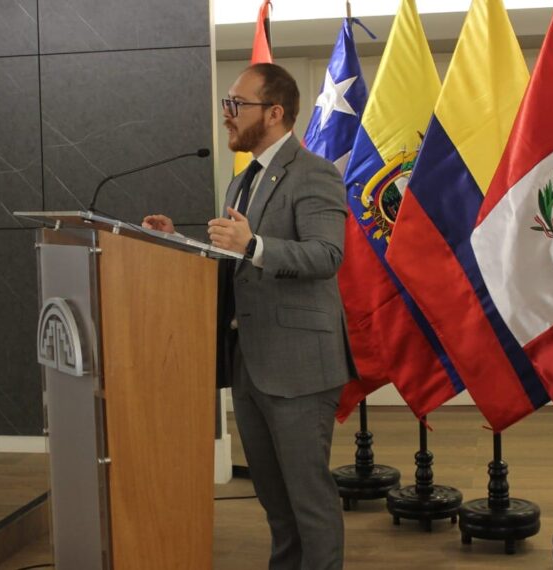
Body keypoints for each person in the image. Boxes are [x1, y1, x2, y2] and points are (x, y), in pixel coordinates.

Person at [143, 63, 355, 570]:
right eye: (227, 104)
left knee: (309, 500)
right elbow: (239, 264)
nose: (226, 115)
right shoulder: (242, 183)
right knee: (275, 503)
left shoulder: (316, 174)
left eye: (237, 104)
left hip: (300, 366)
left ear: (275, 113)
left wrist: (255, 243)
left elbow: (328, 256)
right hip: (251, 363)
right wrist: (180, 244)